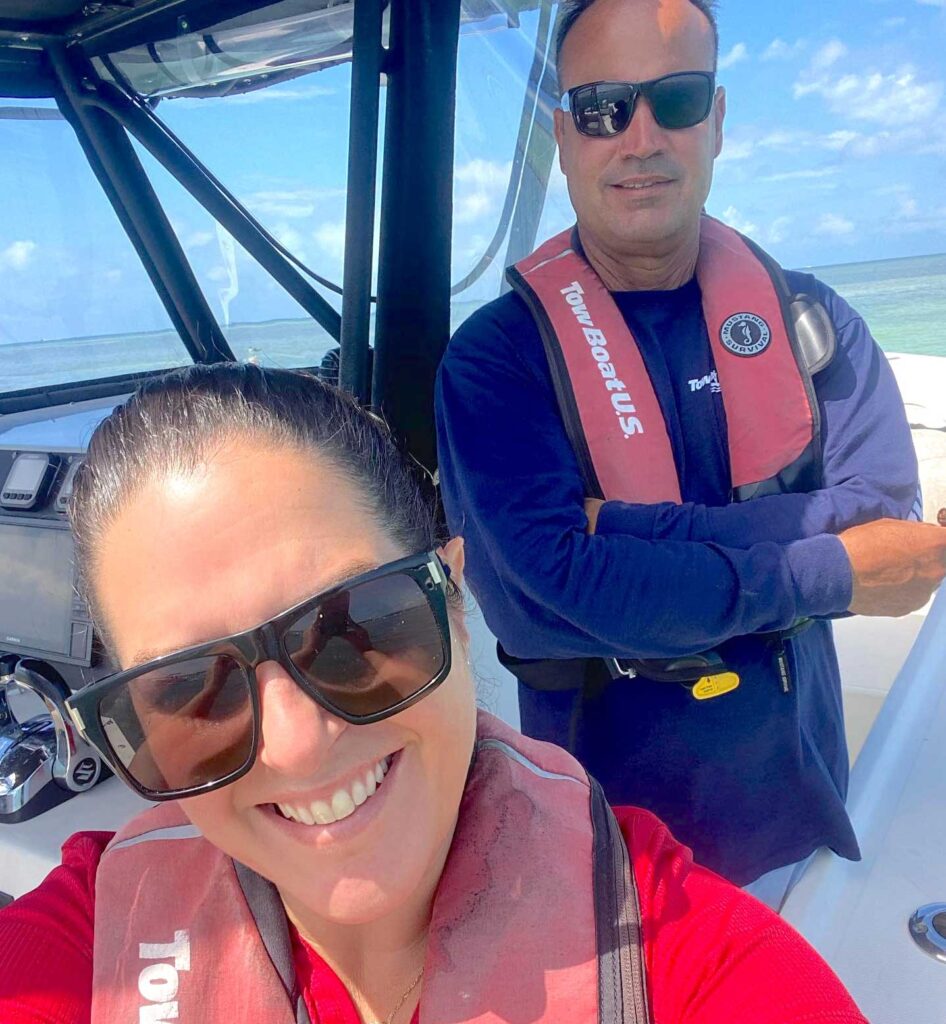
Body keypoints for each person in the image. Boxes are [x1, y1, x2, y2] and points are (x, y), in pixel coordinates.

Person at [0, 363, 869, 1023]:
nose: (298, 743)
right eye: (191, 690)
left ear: (453, 600)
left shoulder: (682, 960)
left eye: (353, 630)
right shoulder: (88, 934)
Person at [435, 0, 946, 901]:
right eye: (602, 108)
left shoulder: (811, 323)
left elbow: (887, 530)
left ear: (716, 121)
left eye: (675, 100)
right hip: (598, 857)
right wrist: (822, 568)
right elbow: (551, 594)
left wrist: (621, 532)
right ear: (563, 134)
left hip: (803, 818)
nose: (640, 138)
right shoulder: (495, 361)